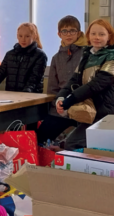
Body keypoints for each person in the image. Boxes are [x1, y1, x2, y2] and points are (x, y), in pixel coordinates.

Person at [56, 19, 114, 150]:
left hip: (101, 112)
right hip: (87, 110)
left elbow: (97, 84)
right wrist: (61, 97)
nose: (96, 37)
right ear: (88, 35)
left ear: (109, 36)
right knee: (77, 145)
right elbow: (74, 80)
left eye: (101, 34)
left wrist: (70, 99)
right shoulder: (88, 54)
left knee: (72, 144)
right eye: (93, 34)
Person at [36, 16, 87, 144]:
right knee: (40, 137)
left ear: (79, 33)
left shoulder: (87, 53)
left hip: (82, 106)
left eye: (72, 30)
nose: (68, 34)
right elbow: (52, 88)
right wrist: (56, 108)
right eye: (64, 31)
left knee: (77, 142)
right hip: (61, 108)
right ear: (59, 34)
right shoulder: (56, 58)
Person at [0, 23, 47, 93]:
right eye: (20, 36)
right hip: (11, 97)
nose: (23, 39)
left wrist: (23, 95)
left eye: (27, 36)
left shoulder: (40, 55)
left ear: (34, 36)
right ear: (17, 36)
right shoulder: (10, 54)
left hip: (31, 98)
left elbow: (34, 80)